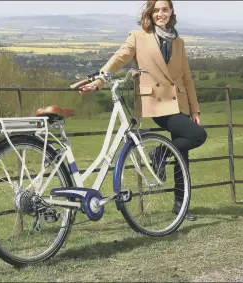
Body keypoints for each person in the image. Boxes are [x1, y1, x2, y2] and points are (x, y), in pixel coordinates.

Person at [79, 0, 207, 221]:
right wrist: (99, 81)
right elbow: (118, 58)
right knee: (198, 135)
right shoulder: (138, 37)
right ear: (150, 13)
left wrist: (195, 109)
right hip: (156, 103)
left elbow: (186, 78)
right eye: (156, 10)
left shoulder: (179, 42)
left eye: (164, 9)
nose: (160, 14)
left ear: (171, 12)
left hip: (180, 103)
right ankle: (160, 152)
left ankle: (180, 205)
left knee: (182, 156)